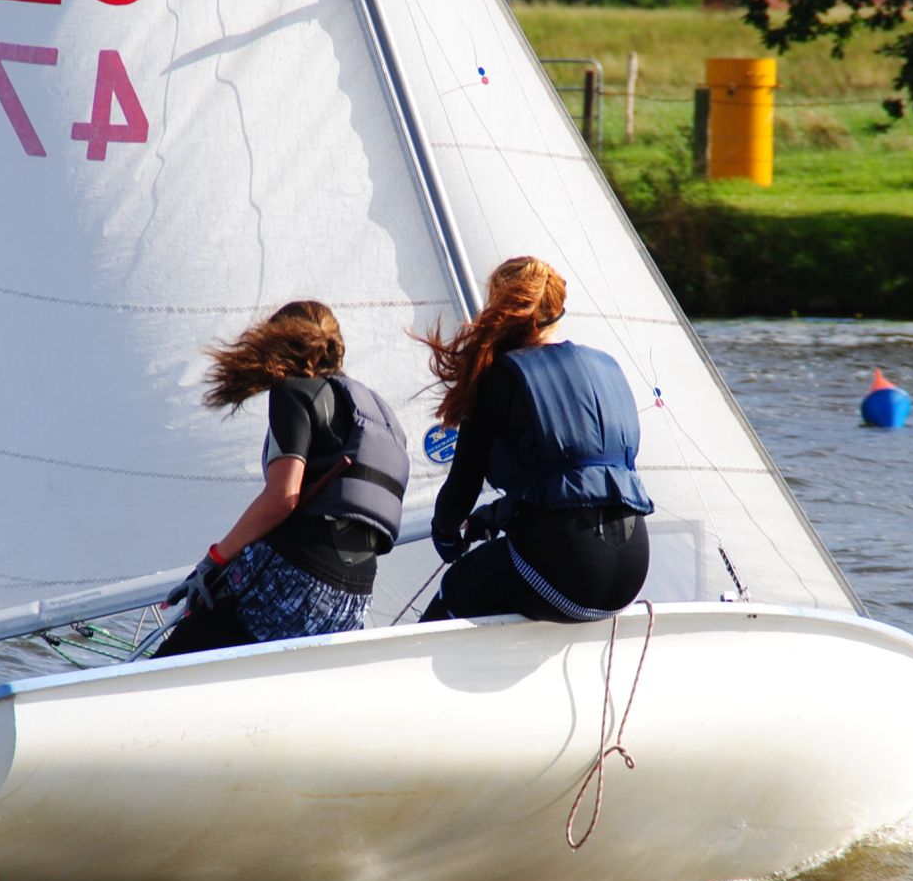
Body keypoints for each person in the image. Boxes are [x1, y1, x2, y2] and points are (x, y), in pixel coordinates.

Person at [156, 301, 409, 657]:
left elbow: (282, 497)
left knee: (173, 660)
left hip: (294, 580)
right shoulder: (379, 412)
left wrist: (214, 559)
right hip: (352, 599)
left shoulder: (294, 391)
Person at [418, 256, 653, 623]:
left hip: (566, 577)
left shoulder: (501, 377)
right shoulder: (608, 364)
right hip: (633, 572)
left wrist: (445, 535)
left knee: (456, 588)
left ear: (502, 310)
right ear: (559, 309)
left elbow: (462, 488)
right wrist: (497, 514)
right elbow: (586, 479)